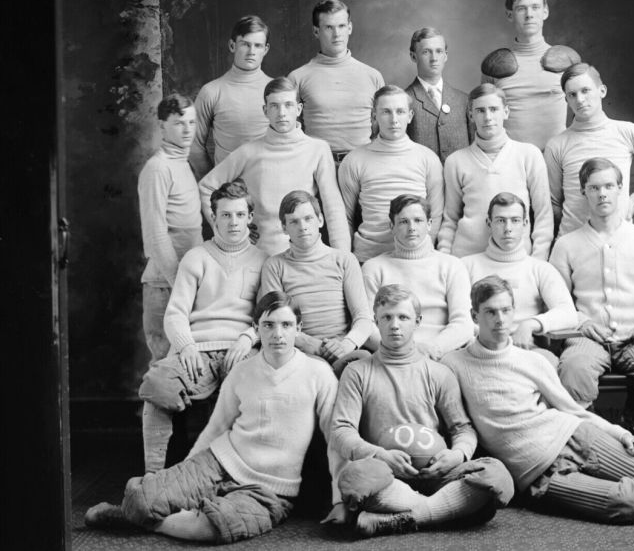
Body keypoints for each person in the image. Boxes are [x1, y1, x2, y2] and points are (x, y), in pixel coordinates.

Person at [442, 275, 634, 525]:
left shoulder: (532, 360)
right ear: (474, 316)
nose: (499, 320)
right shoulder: (454, 364)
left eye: (506, 310)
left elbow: (572, 410)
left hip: (575, 435)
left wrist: (623, 435)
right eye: (490, 312)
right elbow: (457, 420)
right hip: (541, 473)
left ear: (513, 312)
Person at [84, 291, 343, 544]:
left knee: (213, 527)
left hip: (268, 489)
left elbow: (335, 440)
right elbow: (215, 428)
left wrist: (340, 500)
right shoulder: (242, 371)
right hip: (218, 462)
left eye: (286, 325)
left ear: (299, 328)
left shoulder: (318, 373)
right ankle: (144, 506)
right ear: (256, 328)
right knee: (143, 498)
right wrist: (181, 479)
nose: (278, 334)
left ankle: (137, 518)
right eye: (268, 325)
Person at [325, 284, 513, 537]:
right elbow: (341, 431)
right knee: (354, 478)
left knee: (496, 474)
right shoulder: (357, 372)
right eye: (386, 317)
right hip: (386, 477)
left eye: (403, 317)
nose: (394, 325)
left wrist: (457, 455)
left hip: (437, 476)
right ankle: (443, 510)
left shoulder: (439, 373)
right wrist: (380, 455)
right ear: (376, 322)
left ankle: (406, 518)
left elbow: (463, 429)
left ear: (418, 322)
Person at [549, 158, 634, 457]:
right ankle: (600, 450)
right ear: (583, 192)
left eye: (609, 186)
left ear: (621, 189)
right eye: (594, 188)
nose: (602, 194)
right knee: (572, 373)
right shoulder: (567, 245)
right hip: (587, 336)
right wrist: (582, 322)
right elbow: (557, 301)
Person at [138, 179, 268, 474]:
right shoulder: (197, 257)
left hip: (242, 351)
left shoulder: (264, 260)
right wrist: (186, 346)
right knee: (157, 387)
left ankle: (236, 479)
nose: (233, 222)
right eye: (225, 215)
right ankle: (152, 476)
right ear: (214, 217)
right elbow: (175, 313)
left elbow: (269, 315)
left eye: (239, 215)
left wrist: (248, 338)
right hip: (197, 351)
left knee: (256, 393)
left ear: (249, 217)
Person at [198, 77, 350, 256]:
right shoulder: (249, 152)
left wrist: (343, 259)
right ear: (265, 111)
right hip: (261, 255)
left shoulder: (317, 149)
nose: (281, 113)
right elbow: (206, 186)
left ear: (299, 109)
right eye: (274, 106)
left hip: (304, 254)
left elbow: (334, 209)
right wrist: (228, 231)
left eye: (288, 105)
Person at [545, 63, 634, 237]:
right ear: (566, 100)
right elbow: (553, 202)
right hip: (573, 242)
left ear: (602, 91)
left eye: (585, 90)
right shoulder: (557, 145)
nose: (579, 99)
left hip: (619, 239)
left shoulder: (625, 131)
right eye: (572, 94)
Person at [257, 190, 373, 374]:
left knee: (364, 363)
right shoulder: (274, 265)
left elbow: (363, 317)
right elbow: (273, 319)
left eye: (308, 218)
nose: (302, 227)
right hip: (299, 350)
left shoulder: (344, 260)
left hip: (343, 349)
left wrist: (345, 345)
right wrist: (308, 343)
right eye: (294, 221)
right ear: (284, 228)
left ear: (320, 220)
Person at [438, 83, 553, 259]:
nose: (488, 117)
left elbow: (543, 215)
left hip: (517, 259)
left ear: (506, 112)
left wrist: (538, 260)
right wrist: (446, 261)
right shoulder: (456, 161)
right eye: (480, 111)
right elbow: (450, 219)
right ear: (471, 115)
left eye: (494, 109)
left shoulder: (528, 155)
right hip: (467, 258)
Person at [461, 192, 576, 367]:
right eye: (500, 220)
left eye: (515, 220)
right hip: (478, 350)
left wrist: (530, 325)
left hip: (525, 349)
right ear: (489, 223)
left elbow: (568, 313)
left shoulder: (539, 269)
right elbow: (458, 315)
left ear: (525, 223)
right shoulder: (466, 266)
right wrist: (487, 336)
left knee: (549, 363)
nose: (508, 228)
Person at [338, 85, 444, 263]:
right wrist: (347, 261)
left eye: (400, 112)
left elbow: (437, 214)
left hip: (417, 259)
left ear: (410, 116)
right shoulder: (354, 160)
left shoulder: (428, 158)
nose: (394, 119)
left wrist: (424, 253)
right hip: (369, 257)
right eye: (386, 112)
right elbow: (345, 217)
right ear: (374, 116)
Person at [362, 195, 474, 360]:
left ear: (429, 224)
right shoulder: (373, 268)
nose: (411, 228)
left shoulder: (452, 265)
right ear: (392, 226)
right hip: (391, 356)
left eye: (418, 220)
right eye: (403, 222)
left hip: (442, 354)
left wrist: (432, 349)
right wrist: (400, 352)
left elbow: (463, 324)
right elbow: (366, 325)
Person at [138, 93, 203, 365]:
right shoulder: (157, 168)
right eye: (179, 123)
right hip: (165, 285)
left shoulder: (183, 163)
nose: (187, 130)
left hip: (186, 282)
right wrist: (180, 284)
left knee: (187, 365)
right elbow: (155, 234)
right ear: (162, 126)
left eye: (191, 122)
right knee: (164, 365)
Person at [288, 0, 384, 164]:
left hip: (364, 165)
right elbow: (291, 130)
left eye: (341, 26)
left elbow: (381, 128)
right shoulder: (298, 77)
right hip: (316, 165)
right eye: (328, 27)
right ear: (316, 31)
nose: (337, 34)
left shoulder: (373, 76)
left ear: (350, 28)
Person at [481, 0, 571, 150]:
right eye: (521, 9)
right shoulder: (494, 65)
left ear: (545, 12)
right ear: (510, 15)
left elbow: (582, 116)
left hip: (557, 158)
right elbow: (484, 117)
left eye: (535, 7)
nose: (529, 15)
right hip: (510, 160)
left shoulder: (566, 61)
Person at [189, 15, 273, 178]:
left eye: (258, 45)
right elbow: (194, 146)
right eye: (245, 44)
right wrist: (215, 183)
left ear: (266, 49)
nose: (251, 51)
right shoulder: (211, 91)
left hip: (270, 183)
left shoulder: (277, 91)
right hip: (228, 188)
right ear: (232, 45)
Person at [405, 27, 473, 162]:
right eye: (426, 52)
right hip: (421, 174)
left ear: (445, 56)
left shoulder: (464, 100)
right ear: (413, 56)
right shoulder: (404, 100)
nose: (434, 58)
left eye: (439, 51)